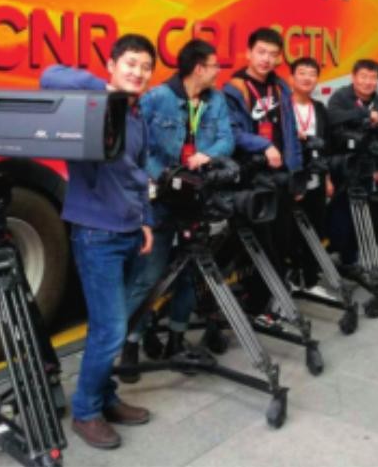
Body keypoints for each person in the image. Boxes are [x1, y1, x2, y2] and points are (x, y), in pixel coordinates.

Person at [39, 34, 156, 450]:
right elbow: (49, 76)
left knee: (109, 325)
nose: (138, 72)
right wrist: (104, 89)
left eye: (146, 67)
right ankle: (86, 412)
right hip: (96, 234)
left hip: (129, 231)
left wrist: (146, 221)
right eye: (130, 64)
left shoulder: (137, 116)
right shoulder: (91, 105)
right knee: (111, 329)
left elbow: (141, 173)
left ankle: (105, 398)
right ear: (111, 65)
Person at [119, 39, 234, 380]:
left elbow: (226, 139)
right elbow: (138, 147)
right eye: (214, 65)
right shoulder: (157, 98)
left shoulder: (216, 100)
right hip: (161, 200)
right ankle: (129, 343)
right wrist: (166, 177)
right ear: (199, 68)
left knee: (190, 271)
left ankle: (177, 338)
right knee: (148, 275)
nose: (218, 71)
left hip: (196, 198)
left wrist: (206, 156)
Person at [222, 27, 302, 317]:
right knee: (261, 246)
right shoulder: (234, 89)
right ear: (248, 53)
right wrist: (263, 144)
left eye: (273, 54)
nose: (266, 59)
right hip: (252, 179)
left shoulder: (280, 87)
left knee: (282, 240)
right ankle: (264, 302)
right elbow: (232, 133)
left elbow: (290, 132)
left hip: (281, 178)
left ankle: (269, 300)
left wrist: (296, 173)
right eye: (261, 52)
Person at [325, 59, 378, 270]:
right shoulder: (341, 96)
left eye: (373, 78)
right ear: (353, 77)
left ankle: (355, 253)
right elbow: (332, 118)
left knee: (362, 210)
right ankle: (344, 254)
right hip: (342, 164)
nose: (368, 82)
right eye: (363, 77)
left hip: (366, 165)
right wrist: (364, 114)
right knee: (342, 211)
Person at [286, 56, 330, 291]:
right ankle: (291, 279)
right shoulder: (283, 108)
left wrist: (328, 178)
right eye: (302, 73)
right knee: (289, 233)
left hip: (316, 181)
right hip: (291, 182)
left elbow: (327, 146)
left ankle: (312, 280)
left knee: (316, 229)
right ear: (291, 78)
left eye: (312, 74)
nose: (307, 78)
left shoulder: (320, 108)